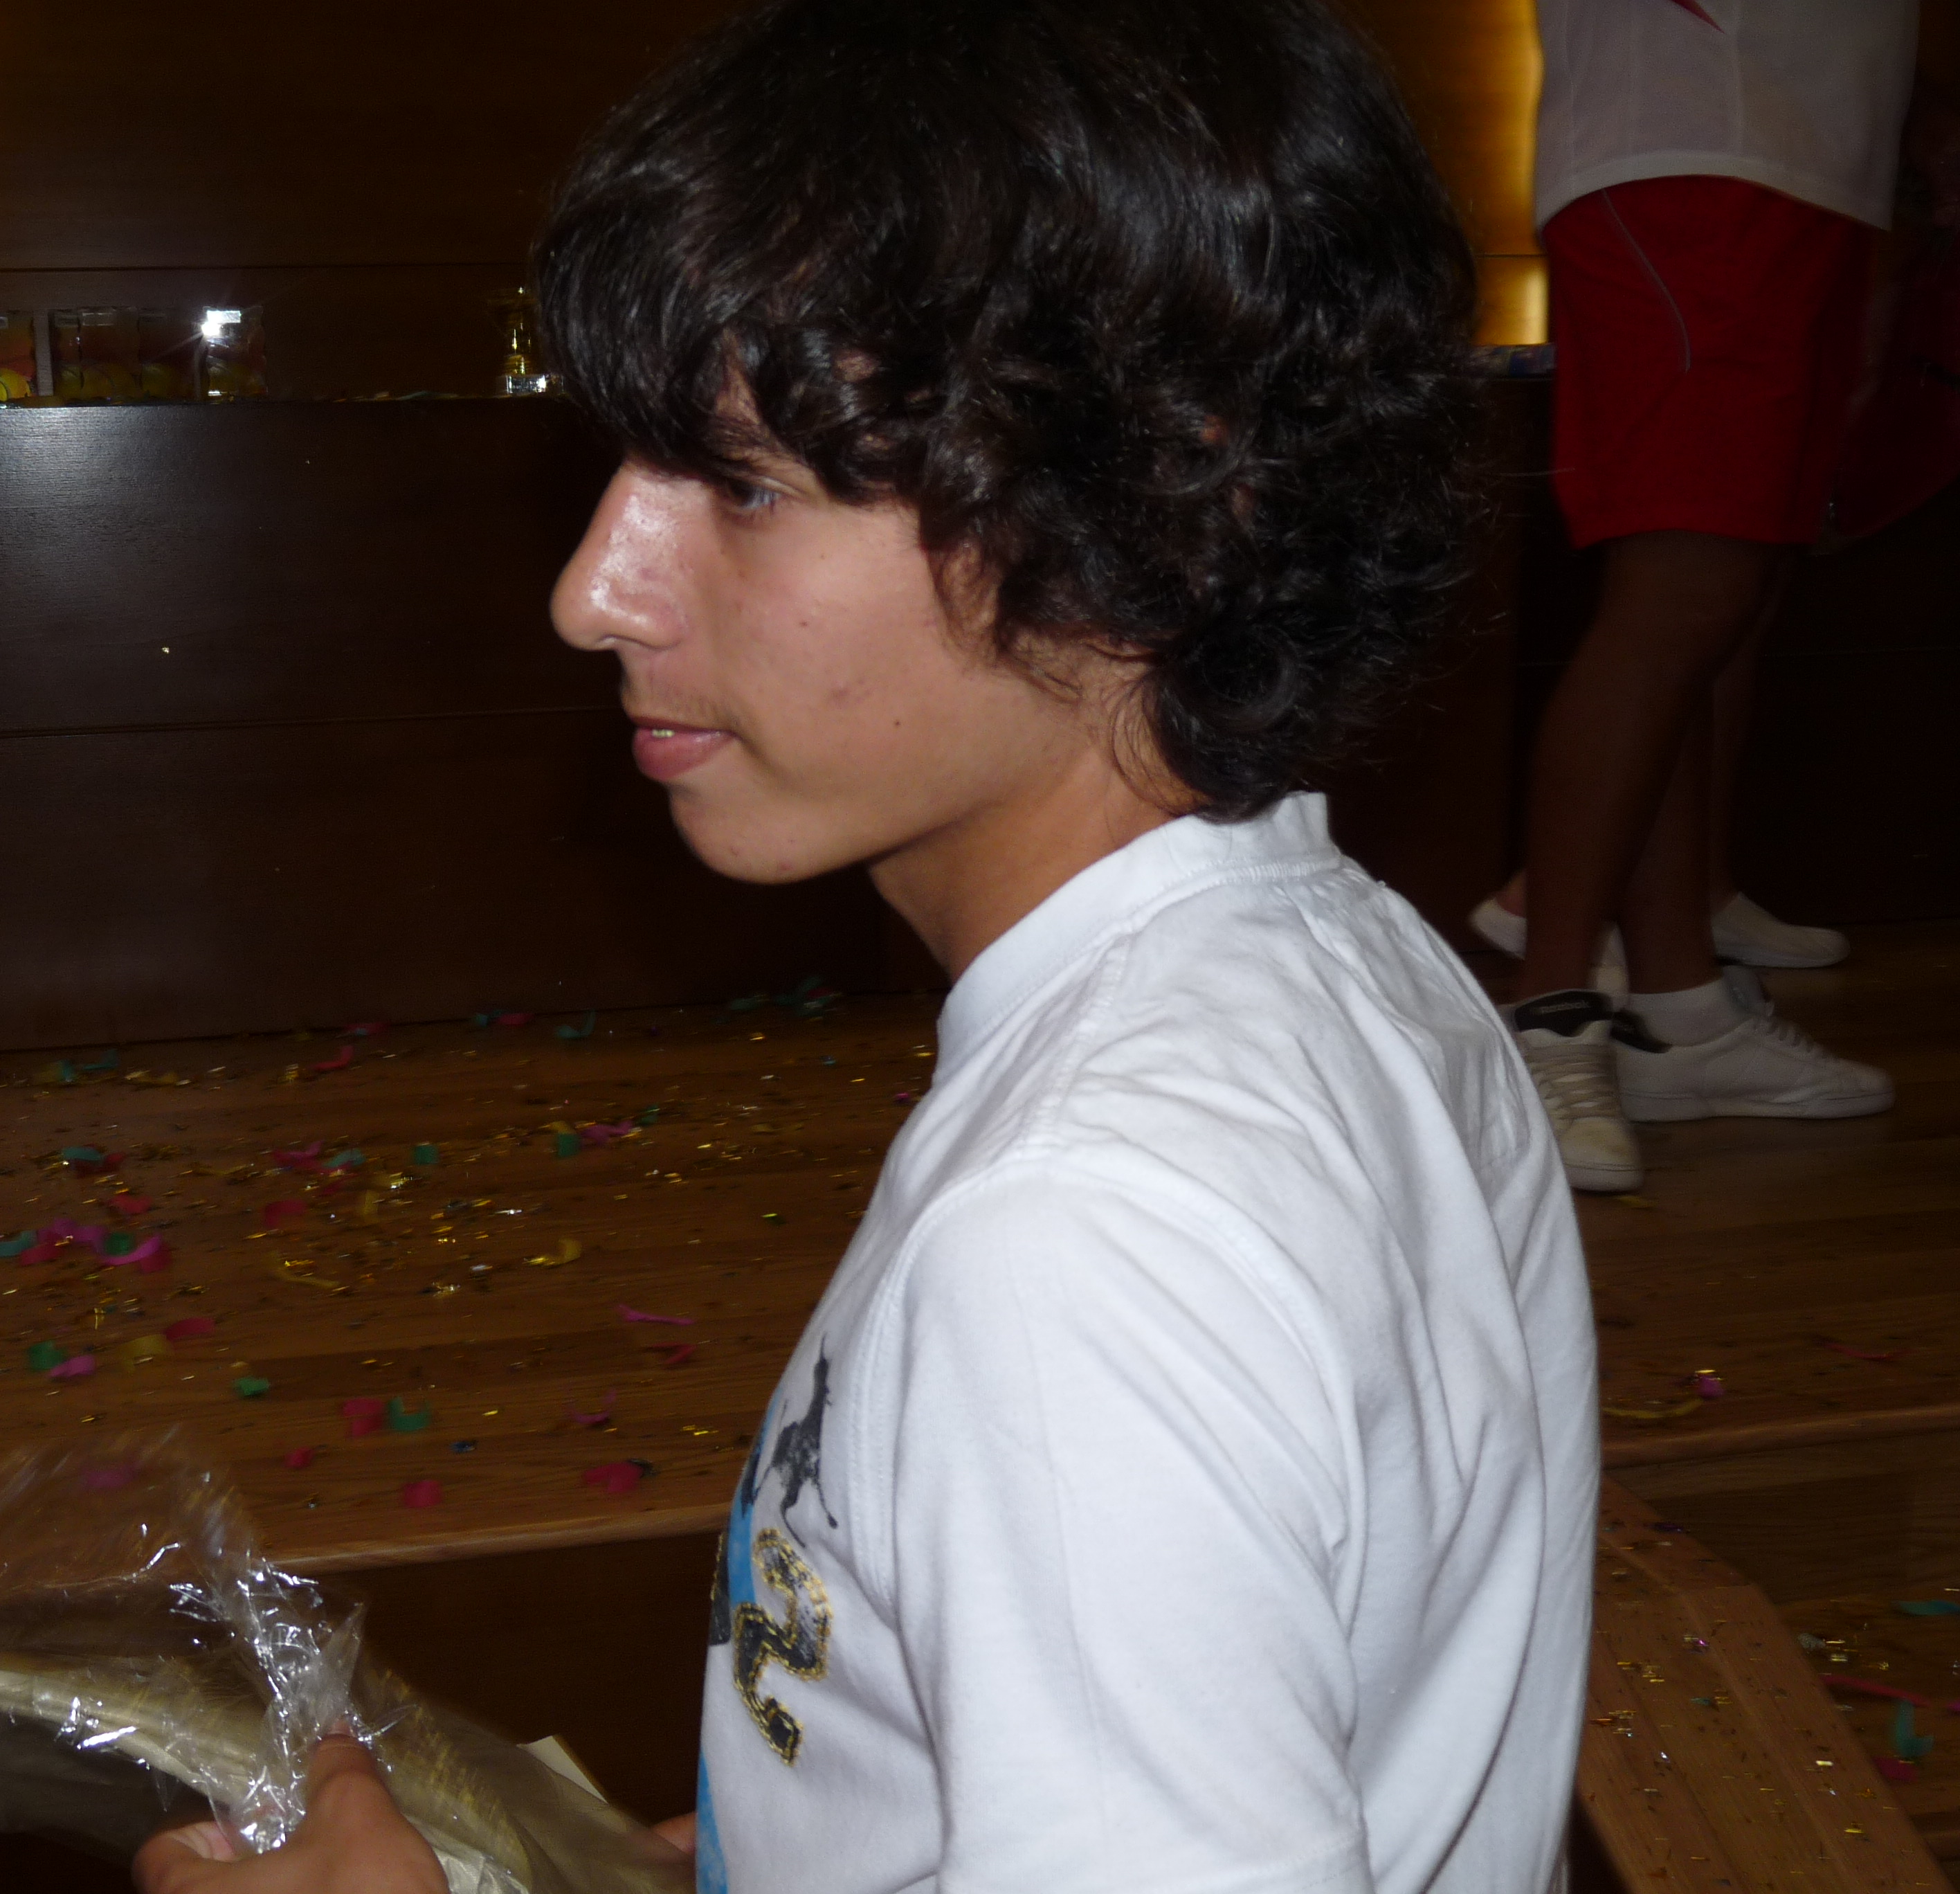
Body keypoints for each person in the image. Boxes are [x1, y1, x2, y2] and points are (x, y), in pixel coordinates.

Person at [136, 3, 1597, 1891]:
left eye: (745, 484)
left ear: (1156, 505)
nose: (592, 594)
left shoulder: (1083, 1243)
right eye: (624, 466)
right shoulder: (1358, 964)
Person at [1496, 0, 1960, 1194]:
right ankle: (1550, 1014)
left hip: (1808, 158)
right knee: (1684, 591)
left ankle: (1681, 1014)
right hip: (1690, 145)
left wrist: (1919, 114)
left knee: (1730, 594)